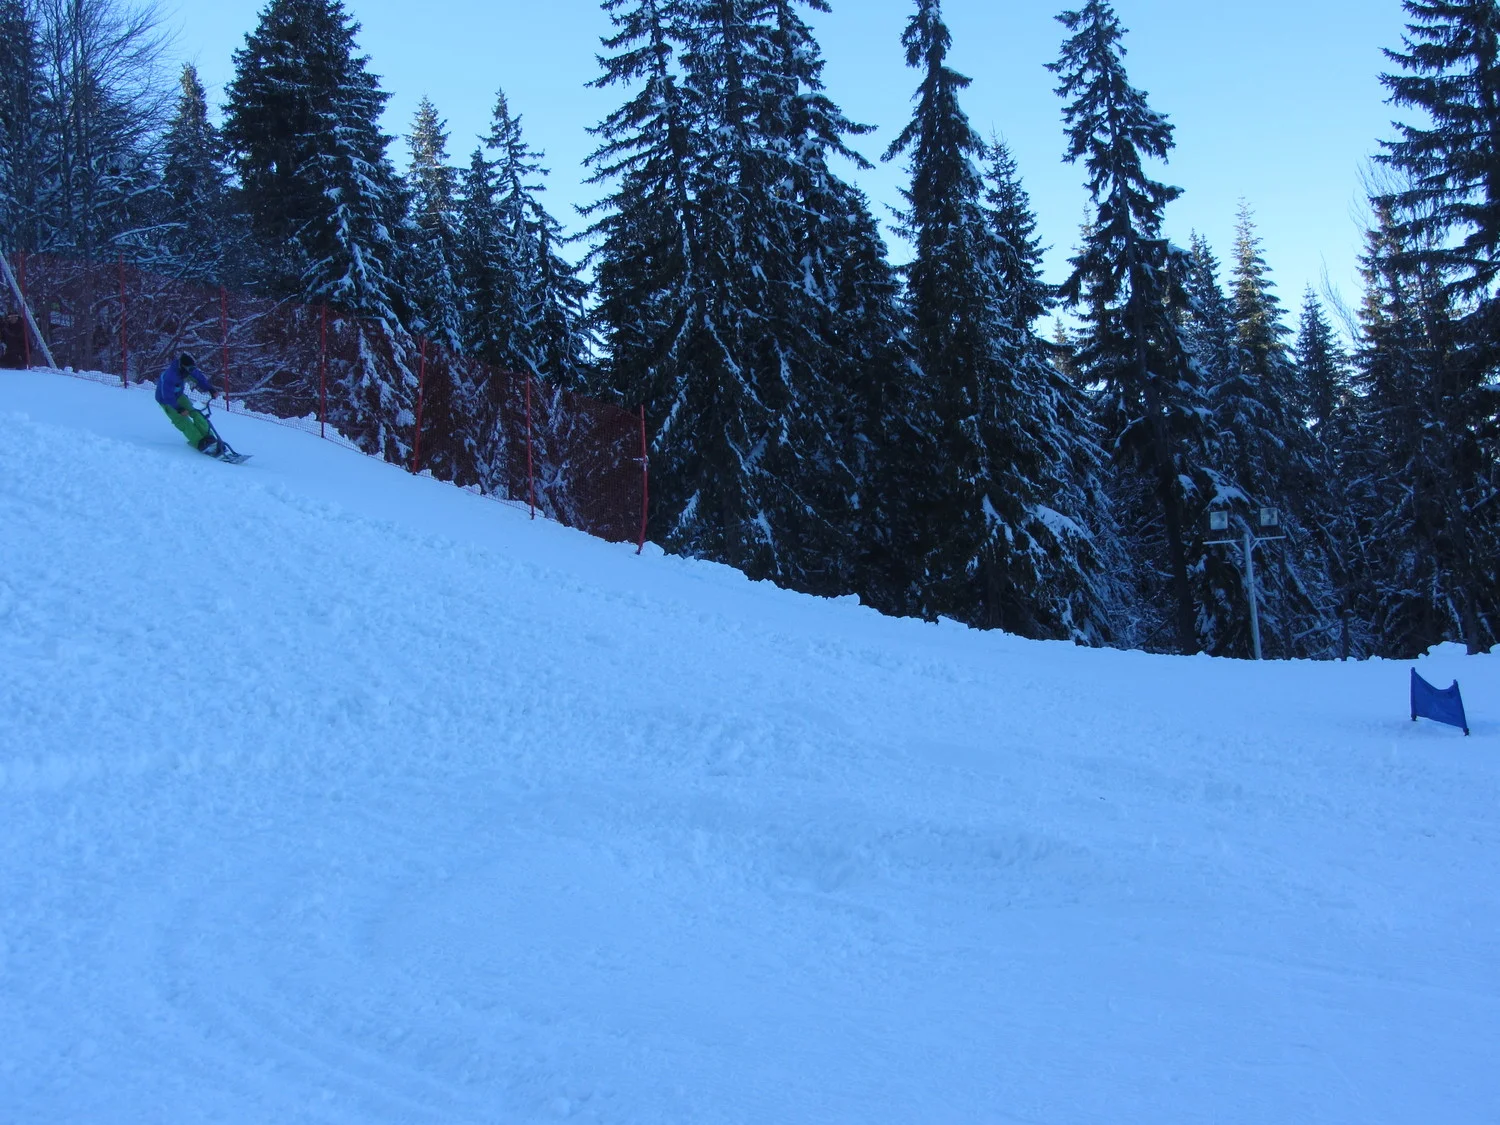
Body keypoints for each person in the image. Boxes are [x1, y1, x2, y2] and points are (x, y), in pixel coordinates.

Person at [156, 353, 222, 456]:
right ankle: (200, 442)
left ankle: (209, 437)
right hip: (166, 401)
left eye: (192, 368)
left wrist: (210, 389)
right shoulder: (170, 376)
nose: (191, 371)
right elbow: (167, 396)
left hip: (179, 395)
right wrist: (179, 409)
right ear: (182, 367)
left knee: (196, 413)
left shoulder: (187, 370)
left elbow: (199, 377)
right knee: (182, 420)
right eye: (190, 369)